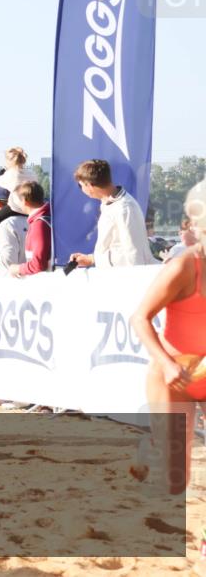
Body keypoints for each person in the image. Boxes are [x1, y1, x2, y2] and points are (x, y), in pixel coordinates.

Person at [130, 180, 206, 493]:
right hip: (175, 374)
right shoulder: (184, 266)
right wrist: (168, 364)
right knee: (176, 482)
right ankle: (151, 444)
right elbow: (139, 318)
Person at [69, 159, 156, 268]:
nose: (81, 189)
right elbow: (116, 247)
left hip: (126, 280)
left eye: (80, 185)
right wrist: (92, 258)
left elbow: (134, 256)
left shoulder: (124, 208)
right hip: (114, 278)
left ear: (89, 186)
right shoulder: (110, 204)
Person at [8, 181, 52, 277]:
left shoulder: (39, 225)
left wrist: (17, 269)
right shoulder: (46, 218)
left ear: (25, 201)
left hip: (46, 286)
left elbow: (38, 265)